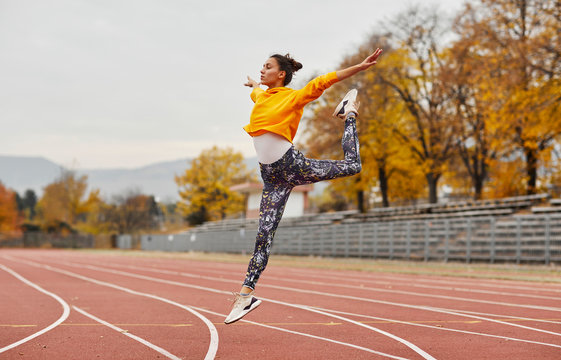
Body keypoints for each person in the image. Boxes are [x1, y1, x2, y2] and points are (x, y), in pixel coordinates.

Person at [225, 48, 383, 324]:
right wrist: (253, 85)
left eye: (267, 67)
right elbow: (256, 93)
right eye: (261, 67)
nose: (262, 70)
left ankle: (349, 114)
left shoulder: (293, 97)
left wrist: (359, 67)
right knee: (263, 236)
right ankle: (245, 296)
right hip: (272, 179)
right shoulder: (262, 95)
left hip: (292, 166)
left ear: (281, 74)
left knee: (352, 166)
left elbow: (322, 81)